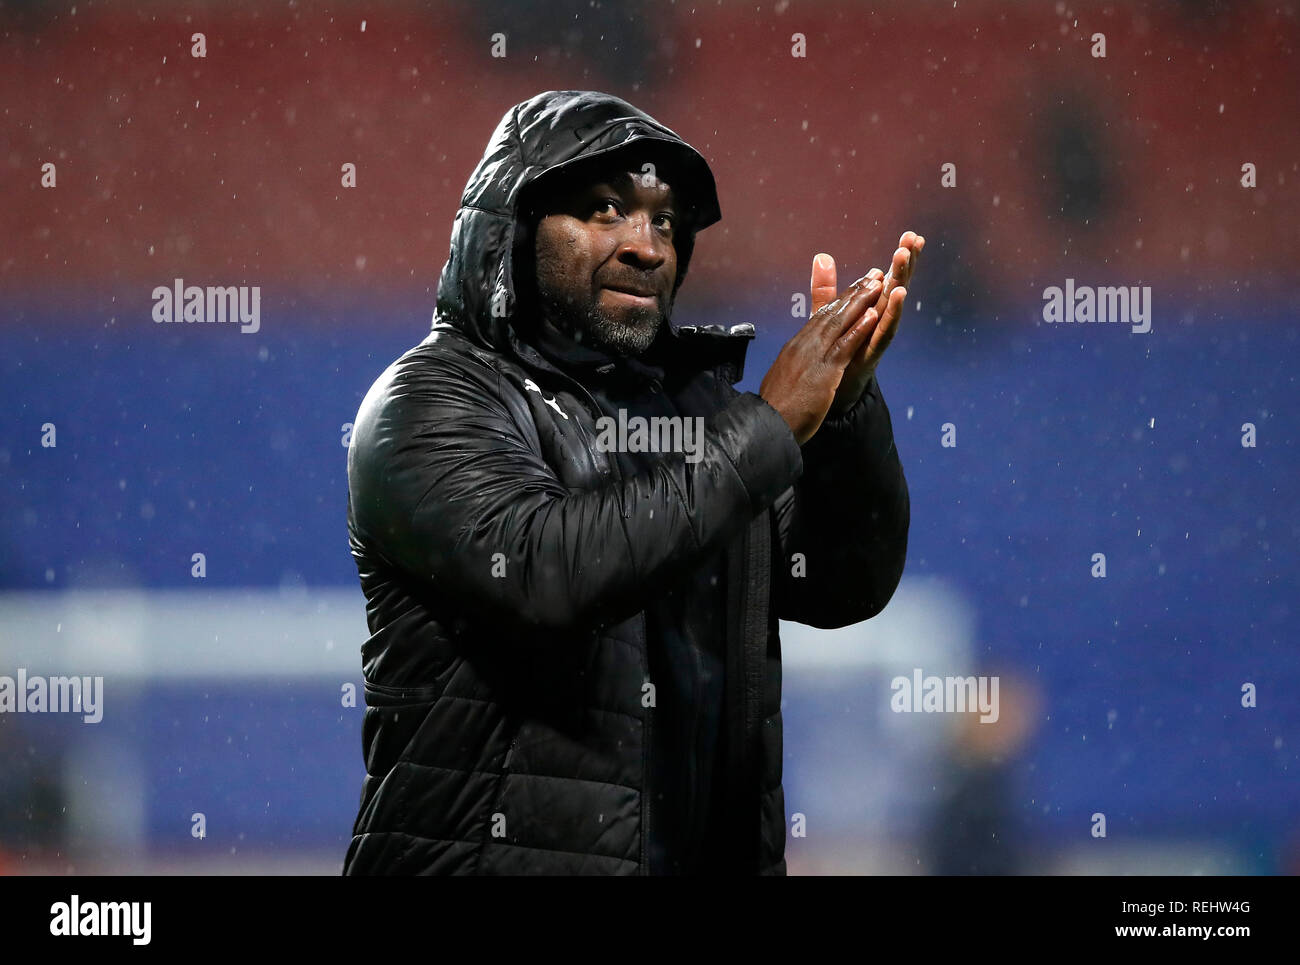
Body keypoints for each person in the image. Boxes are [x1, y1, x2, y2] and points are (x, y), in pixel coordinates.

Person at [343, 89, 920, 875]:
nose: (646, 245)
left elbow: (845, 581)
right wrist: (774, 425)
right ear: (514, 228)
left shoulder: (697, 420)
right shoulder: (430, 401)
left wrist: (844, 421)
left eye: (664, 221)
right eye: (605, 210)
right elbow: (549, 573)